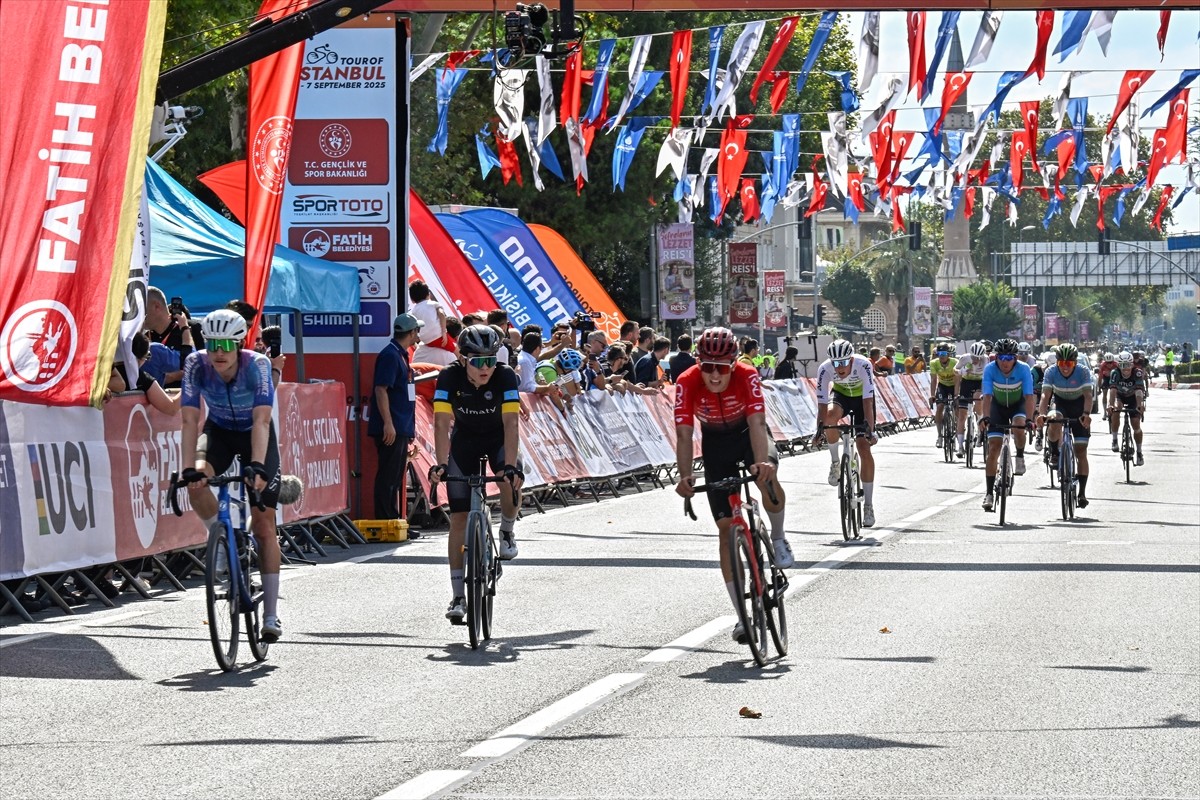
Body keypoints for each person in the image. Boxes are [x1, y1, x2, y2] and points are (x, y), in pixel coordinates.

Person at [673, 327, 791, 644]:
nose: (713, 375)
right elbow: (684, 434)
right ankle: (742, 616)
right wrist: (685, 476)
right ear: (698, 363)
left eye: (721, 367)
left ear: (733, 363)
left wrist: (763, 461)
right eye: (707, 366)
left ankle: (778, 538)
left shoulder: (747, 375)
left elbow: (756, 423)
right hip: (715, 445)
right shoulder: (686, 382)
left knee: (768, 476)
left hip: (747, 434)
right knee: (726, 530)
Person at [179, 309, 284, 643]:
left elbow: (263, 420)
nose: (218, 352)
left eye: (225, 344)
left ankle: (270, 614)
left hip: (256, 434)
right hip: (220, 432)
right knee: (196, 483)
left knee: (264, 522)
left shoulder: (258, 366)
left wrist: (256, 465)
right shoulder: (196, 365)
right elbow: (189, 421)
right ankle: (223, 545)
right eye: (211, 345)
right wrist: (186, 468)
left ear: (239, 344)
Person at [429, 325, 524, 625]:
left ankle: (506, 529)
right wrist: (440, 463)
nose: (486, 368)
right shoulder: (449, 377)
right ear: (461, 358)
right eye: (478, 361)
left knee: (510, 481)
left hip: (498, 438)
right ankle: (458, 595)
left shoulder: (506, 376)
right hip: (465, 441)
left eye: (491, 360)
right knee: (458, 518)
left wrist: (510, 467)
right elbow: (441, 423)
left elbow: (511, 424)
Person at [813, 339, 879, 528]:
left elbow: (868, 401)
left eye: (843, 363)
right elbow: (822, 404)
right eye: (836, 363)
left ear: (851, 360)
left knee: (864, 448)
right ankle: (835, 462)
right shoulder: (825, 369)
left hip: (861, 400)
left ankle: (868, 505)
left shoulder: (864, 365)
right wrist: (819, 429)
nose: (839, 368)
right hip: (841, 395)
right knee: (830, 418)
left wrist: (870, 430)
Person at [368, 314, 422, 526]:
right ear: (411, 333)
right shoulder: (390, 355)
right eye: (416, 331)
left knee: (394, 476)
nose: (418, 335)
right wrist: (388, 423)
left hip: (400, 425)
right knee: (388, 476)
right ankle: (385, 521)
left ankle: (393, 521)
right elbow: (381, 390)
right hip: (392, 426)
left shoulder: (400, 355)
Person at [979, 339, 1035, 511]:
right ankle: (989, 493)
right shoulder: (990, 369)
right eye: (1001, 357)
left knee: (1019, 426)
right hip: (998, 407)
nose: (1005, 361)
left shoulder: (1024, 369)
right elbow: (987, 397)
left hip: (1017, 405)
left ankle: (1019, 456)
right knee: (994, 448)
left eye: (1009, 357)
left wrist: (1030, 419)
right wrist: (985, 417)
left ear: (1016, 358)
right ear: (995, 357)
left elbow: (1029, 397)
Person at [1038, 343, 1095, 508]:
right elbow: (1045, 396)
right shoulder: (1050, 372)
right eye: (1061, 363)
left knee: (1081, 452)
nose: (1065, 367)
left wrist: (1086, 414)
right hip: (1060, 404)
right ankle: (1055, 452)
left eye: (1069, 364)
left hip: (1079, 407)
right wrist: (1042, 414)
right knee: (1054, 419)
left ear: (1075, 363)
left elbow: (1088, 396)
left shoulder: (1083, 372)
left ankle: (1082, 493)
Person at [143, 288, 203, 388]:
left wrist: (185, 328)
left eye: (141, 309)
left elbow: (199, 369)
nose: (138, 314)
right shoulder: (143, 337)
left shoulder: (192, 328)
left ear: (157, 306)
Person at [1105, 351, 1147, 465]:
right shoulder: (1115, 373)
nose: (1126, 369)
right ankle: (1114, 439)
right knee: (1116, 409)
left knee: (1136, 425)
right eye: (1123, 365)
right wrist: (1110, 404)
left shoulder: (1137, 372)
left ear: (1132, 364)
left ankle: (1139, 452)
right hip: (1120, 396)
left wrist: (1139, 405)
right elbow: (1113, 390)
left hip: (1133, 397)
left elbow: (1139, 391)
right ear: (1118, 365)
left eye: (1128, 365)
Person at [409, 280, 456, 367]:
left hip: (425, 340)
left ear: (412, 299)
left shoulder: (413, 311)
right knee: (458, 352)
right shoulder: (433, 303)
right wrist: (443, 332)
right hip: (439, 336)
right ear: (428, 294)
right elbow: (441, 314)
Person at [954, 342, 988, 457]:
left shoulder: (985, 360)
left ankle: (979, 425)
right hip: (966, 383)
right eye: (974, 357)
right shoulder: (965, 358)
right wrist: (961, 371)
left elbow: (987, 376)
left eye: (978, 358)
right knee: (962, 416)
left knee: (978, 399)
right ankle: (960, 447)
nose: (976, 360)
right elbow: (955, 370)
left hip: (979, 383)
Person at [928, 344, 958, 448]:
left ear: (948, 354)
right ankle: (940, 436)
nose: (942, 356)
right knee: (940, 407)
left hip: (954, 385)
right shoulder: (934, 363)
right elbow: (933, 380)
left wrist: (956, 395)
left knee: (957, 407)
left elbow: (958, 379)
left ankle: (957, 428)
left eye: (944, 353)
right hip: (943, 386)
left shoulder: (955, 362)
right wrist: (932, 395)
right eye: (939, 354)